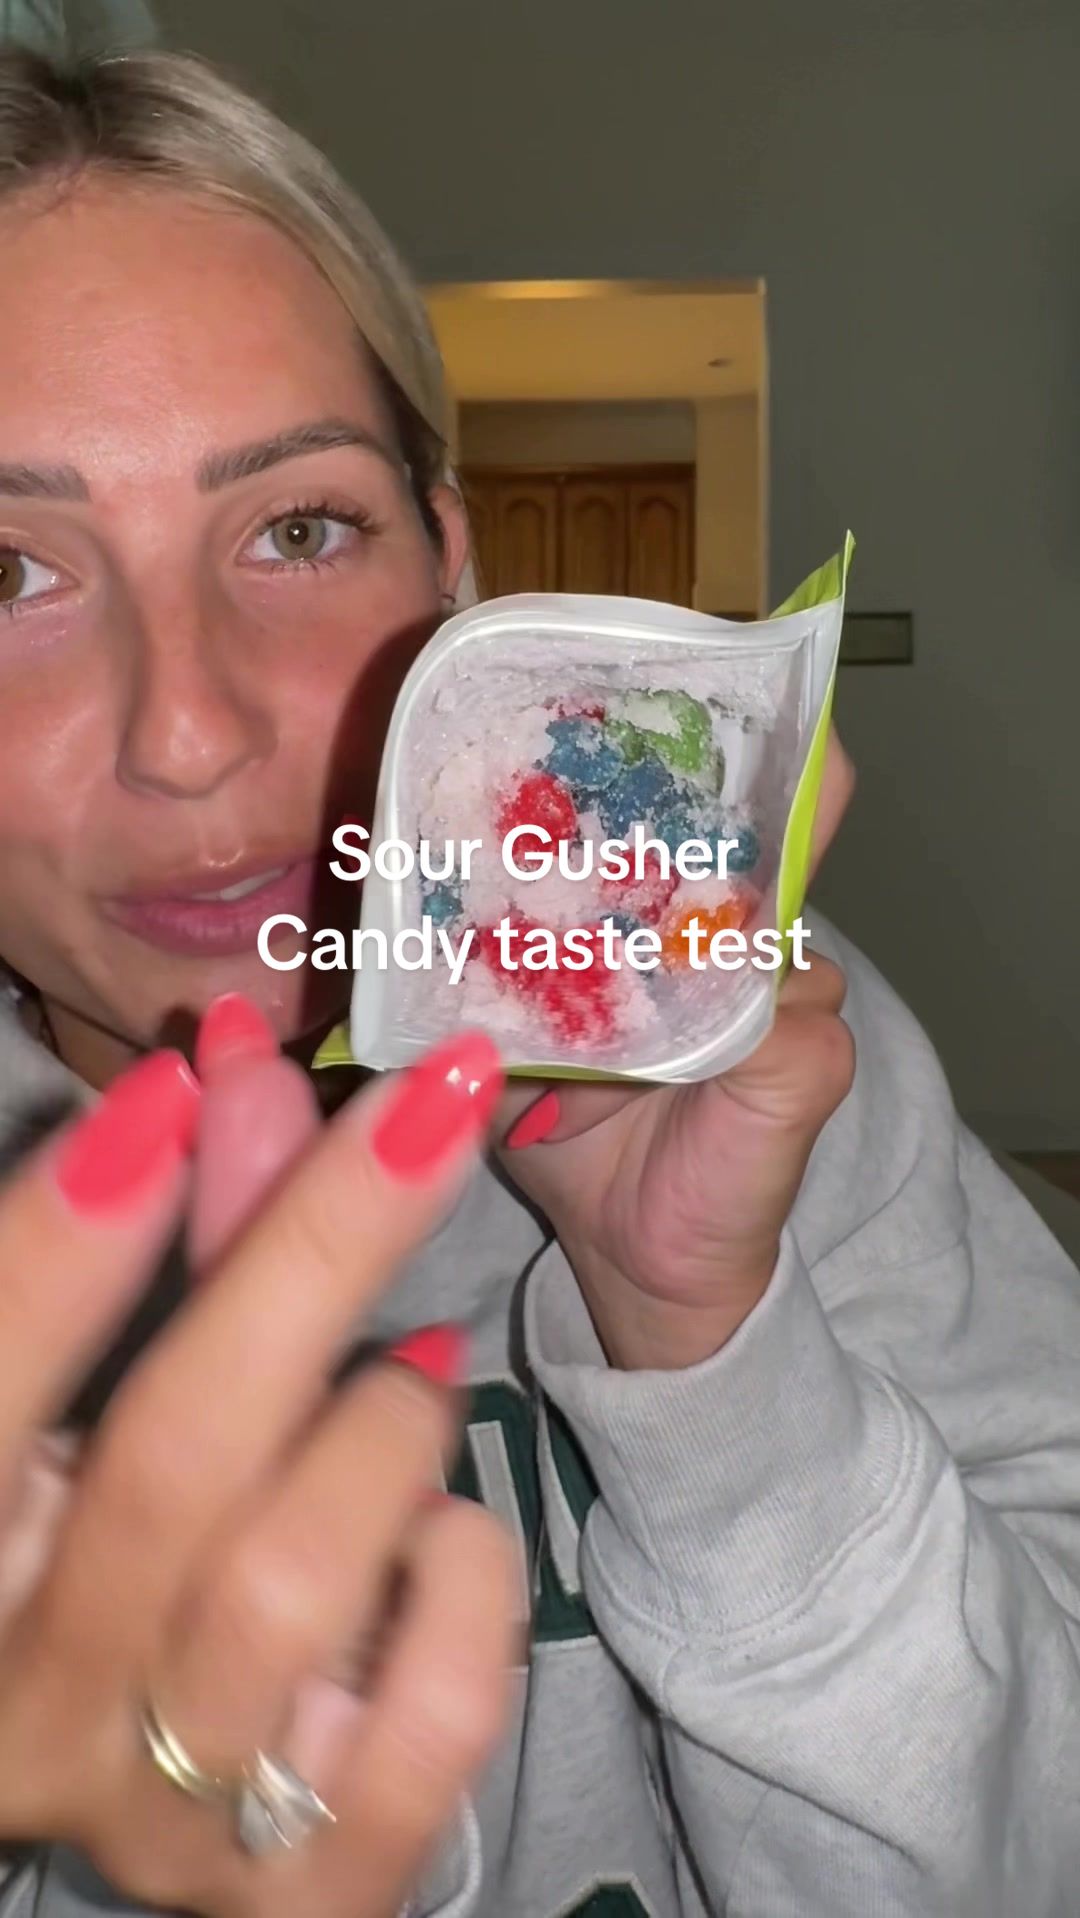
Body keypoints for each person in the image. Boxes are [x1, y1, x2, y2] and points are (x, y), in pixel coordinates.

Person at [0, 41, 1078, 1918]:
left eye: (299, 529)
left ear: (452, 566)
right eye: (7, 575)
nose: (190, 730)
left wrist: (713, 1352)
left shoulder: (757, 1055)